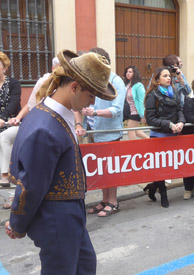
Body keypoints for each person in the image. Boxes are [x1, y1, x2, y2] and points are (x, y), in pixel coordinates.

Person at [4, 49, 117, 274]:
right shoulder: (45, 127)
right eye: (91, 94)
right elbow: (31, 186)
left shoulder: (57, 113)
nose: (92, 101)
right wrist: (17, 223)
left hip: (69, 213)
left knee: (85, 266)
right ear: (74, 87)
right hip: (56, 217)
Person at [2, 57, 59, 209]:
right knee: (6, 139)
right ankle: (6, 178)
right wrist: (18, 118)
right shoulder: (44, 81)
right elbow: (31, 104)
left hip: (47, 129)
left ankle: (28, 195)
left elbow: (15, 102)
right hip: (29, 124)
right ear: (54, 68)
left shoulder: (12, 83)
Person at [80, 47, 126, 217]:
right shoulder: (92, 79)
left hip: (110, 134)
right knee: (101, 170)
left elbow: (117, 110)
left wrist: (95, 113)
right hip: (94, 132)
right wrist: (82, 124)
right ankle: (104, 200)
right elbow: (85, 105)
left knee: (110, 169)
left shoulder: (116, 82)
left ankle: (113, 202)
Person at [144, 66, 186, 208]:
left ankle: (152, 186)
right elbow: (150, 119)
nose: (169, 78)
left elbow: (179, 109)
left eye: (169, 76)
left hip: (173, 135)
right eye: (165, 76)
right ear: (157, 79)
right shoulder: (152, 95)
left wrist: (181, 122)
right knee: (160, 168)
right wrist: (168, 124)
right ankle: (163, 193)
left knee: (169, 167)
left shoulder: (173, 92)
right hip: (158, 136)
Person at [0, 51, 21, 187]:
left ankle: (5, 175)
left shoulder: (13, 84)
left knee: (3, 138)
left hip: (13, 123)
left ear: (5, 68)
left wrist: (2, 118)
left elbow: (14, 103)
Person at [123, 65, 149, 140]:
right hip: (129, 111)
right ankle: (151, 140)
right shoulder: (127, 85)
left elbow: (141, 100)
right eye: (127, 72)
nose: (128, 73)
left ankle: (133, 148)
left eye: (130, 72)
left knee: (130, 131)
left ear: (135, 74)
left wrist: (142, 115)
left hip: (135, 111)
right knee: (136, 131)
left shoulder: (138, 85)